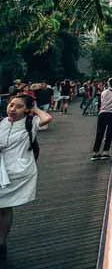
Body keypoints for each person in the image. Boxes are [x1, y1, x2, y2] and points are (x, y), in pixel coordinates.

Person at [0, 94, 53, 258]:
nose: (13, 109)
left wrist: (35, 108)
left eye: (19, 106)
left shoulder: (31, 123)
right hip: (1, 169)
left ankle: (1, 241)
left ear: (27, 110)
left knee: (5, 207)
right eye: (11, 105)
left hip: (15, 171)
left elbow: (47, 117)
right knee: (3, 207)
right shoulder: (2, 123)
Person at [91, 78, 112, 160]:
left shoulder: (104, 92)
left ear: (109, 84)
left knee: (99, 133)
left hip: (103, 113)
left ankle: (95, 152)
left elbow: (101, 102)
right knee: (109, 133)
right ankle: (105, 152)